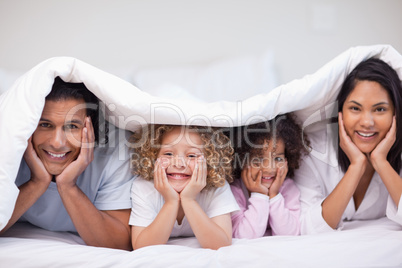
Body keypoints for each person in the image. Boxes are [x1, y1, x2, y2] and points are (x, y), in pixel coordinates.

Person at [0, 77, 134, 250]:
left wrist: (68, 186)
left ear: (90, 126)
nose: (57, 143)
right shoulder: (9, 144)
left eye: (72, 126)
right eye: (45, 124)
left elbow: (119, 243)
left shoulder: (116, 151)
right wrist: (37, 182)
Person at [294, 58, 402, 234]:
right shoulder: (312, 149)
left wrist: (381, 162)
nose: (367, 122)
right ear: (340, 112)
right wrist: (356, 166)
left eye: (380, 109)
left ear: (395, 113)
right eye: (355, 108)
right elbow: (308, 229)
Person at [129, 124, 239, 250]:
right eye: (168, 153)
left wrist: (189, 200)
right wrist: (171, 202)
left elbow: (221, 244)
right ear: (153, 158)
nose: (179, 163)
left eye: (191, 155)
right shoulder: (144, 188)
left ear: (209, 163)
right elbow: (141, 247)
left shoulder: (217, 187)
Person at [230, 114, 310, 238]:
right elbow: (245, 236)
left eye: (277, 158)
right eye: (258, 159)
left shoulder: (287, 188)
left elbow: (289, 234)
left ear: (287, 160)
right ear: (242, 159)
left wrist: (274, 196)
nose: (269, 168)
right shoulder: (235, 191)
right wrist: (260, 195)